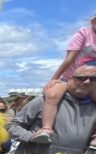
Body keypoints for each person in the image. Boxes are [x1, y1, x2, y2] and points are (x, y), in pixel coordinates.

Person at [7, 63, 96, 154]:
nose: (87, 82)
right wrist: (30, 137)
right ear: (70, 79)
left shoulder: (93, 108)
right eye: (81, 78)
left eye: (93, 79)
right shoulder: (43, 101)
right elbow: (12, 126)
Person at [37, 14, 96, 144]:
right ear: (93, 22)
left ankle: (95, 136)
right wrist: (54, 79)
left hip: (91, 81)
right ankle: (46, 129)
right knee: (52, 94)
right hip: (70, 77)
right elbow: (69, 59)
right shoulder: (83, 34)